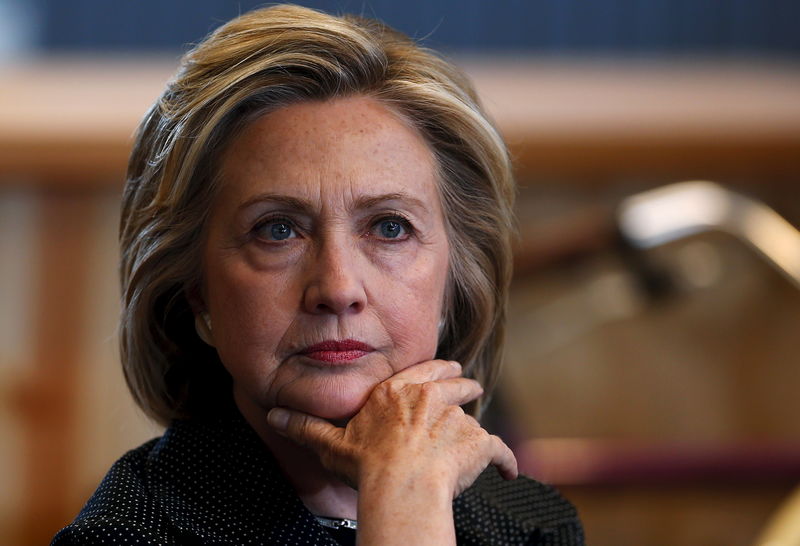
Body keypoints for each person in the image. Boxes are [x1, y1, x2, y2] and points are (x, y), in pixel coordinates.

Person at [52, 5, 582, 545]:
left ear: (455, 281)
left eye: (390, 228)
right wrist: (405, 509)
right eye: (277, 230)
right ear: (196, 292)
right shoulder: (127, 535)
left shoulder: (531, 524)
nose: (337, 288)